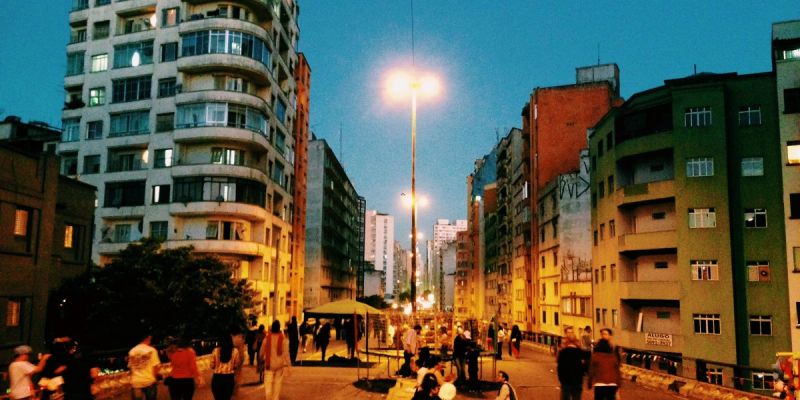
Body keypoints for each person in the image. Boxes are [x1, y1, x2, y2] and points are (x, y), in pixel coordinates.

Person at [261, 320, 291, 400]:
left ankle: (268, 398)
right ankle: (275, 398)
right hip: (279, 365)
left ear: (272, 328)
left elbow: (261, 352)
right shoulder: (283, 339)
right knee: (277, 384)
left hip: (269, 365)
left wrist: (261, 359)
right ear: (279, 329)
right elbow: (286, 353)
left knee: (268, 384)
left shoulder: (266, 339)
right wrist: (289, 366)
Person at [128, 334, 161, 400]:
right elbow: (156, 366)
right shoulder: (151, 350)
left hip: (136, 381)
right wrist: (154, 378)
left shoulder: (132, 351)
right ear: (147, 338)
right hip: (149, 380)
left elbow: (130, 368)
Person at [556, 329, 586, 400]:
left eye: (571, 332)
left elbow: (560, 366)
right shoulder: (580, 352)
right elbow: (584, 365)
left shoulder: (563, 352)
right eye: (568, 332)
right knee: (576, 397)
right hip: (577, 379)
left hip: (566, 380)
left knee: (565, 397)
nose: (569, 333)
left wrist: (561, 378)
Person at [210, 335, 238, 400]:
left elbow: (212, 365)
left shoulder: (215, 350)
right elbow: (235, 365)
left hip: (217, 379)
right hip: (229, 379)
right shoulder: (235, 351)